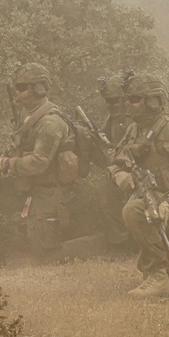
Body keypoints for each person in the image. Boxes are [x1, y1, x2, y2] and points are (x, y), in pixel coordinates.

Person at [0, 63, 79, 267]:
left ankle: (101, 242)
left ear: (39, 88)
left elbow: (39, 163)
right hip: (24, 188)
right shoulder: (29, 118)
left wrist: (7, 163)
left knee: (46, 256)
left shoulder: (50, 122)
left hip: (47, 194)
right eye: (17, 88)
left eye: (23, 88)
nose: (18, 93)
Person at [109, 73, 169, 297]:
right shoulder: (135, 130)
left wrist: (168, 203)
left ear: (152, 101)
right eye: (129, 98)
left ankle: (159, 277)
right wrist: (121, 176)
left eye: (135, 99)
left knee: (133, 211)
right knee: (137, 212)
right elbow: (114, 161)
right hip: (155, 201)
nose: (129, 104)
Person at [60, 74, 135, 261]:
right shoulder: (111, 119)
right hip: (120, 172)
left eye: (115, 101)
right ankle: (120, 242)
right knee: (104, 189)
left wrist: (120, 158)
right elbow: (105, 149)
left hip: (140, 171)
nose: (111, 105)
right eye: (108, 102)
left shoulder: (136, 120)